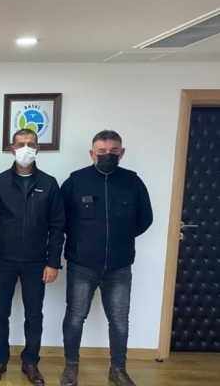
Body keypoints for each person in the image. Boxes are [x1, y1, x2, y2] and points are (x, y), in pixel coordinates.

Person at [60, 130, 153, 386]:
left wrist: (121, 239)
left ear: (122, 153)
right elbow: (60, 219)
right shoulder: (76, 181)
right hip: (82, 264)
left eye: (113, 151)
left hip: (119, 266)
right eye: (102, 151)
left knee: (119, 321)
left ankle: (118, 369)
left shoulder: (132, 182)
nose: (107, 155)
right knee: (75, 317)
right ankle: (71, 366)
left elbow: (145, 219)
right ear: (92, 153)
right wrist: (83, 240)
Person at [0, 129, 65, 385]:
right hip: (3, 260)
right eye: (20, 144)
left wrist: (53, 263)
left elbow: (57, 227)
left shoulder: (49, 184)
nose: (25, 149)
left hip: (36, 262)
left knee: (34, 314)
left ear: (37, 149)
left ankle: (30, 362)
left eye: (30, 144)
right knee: (0, 312)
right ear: (12, 149)